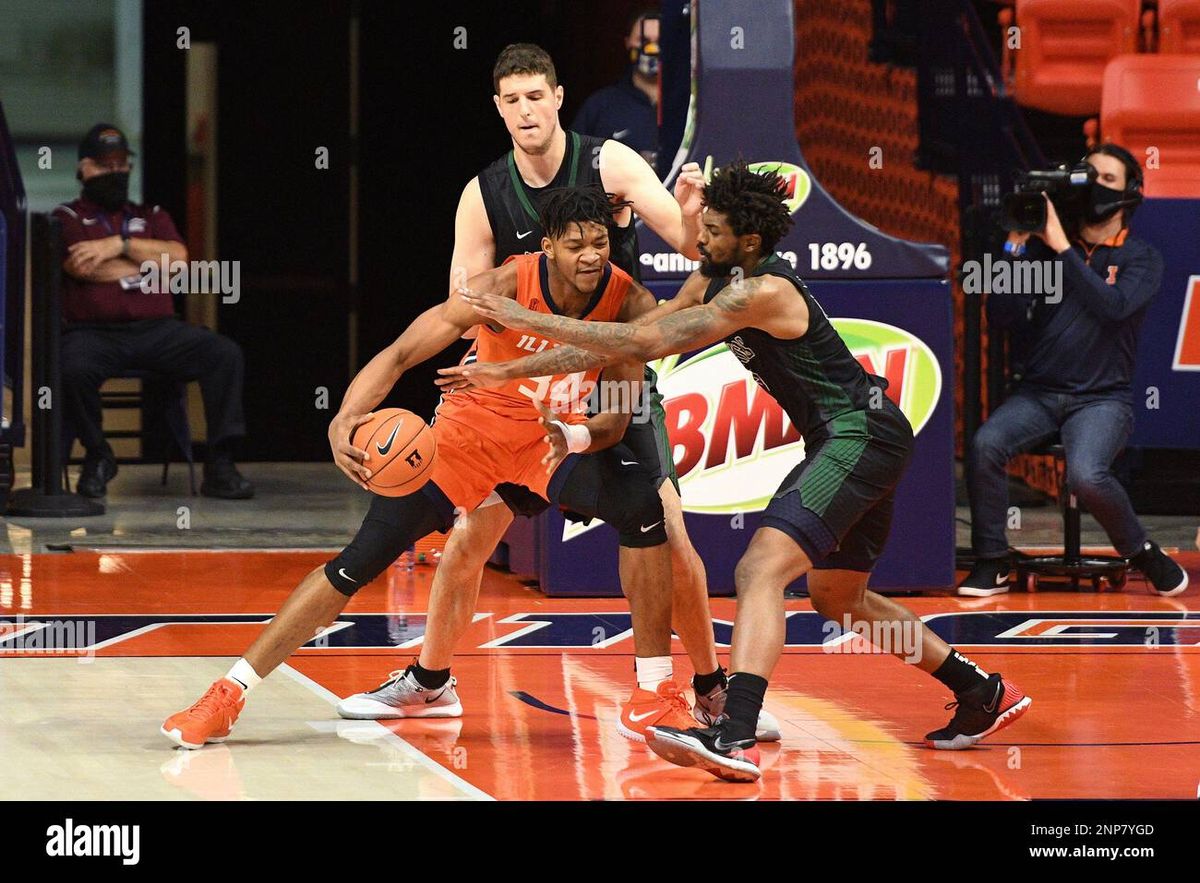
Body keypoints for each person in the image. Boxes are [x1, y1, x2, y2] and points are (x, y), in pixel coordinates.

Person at [448, 162, 1031, 781]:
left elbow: (644, 348)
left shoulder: (761, 291)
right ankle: (981, 692)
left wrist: (521, 319)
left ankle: (734, 734)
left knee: (759, 570)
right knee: (840, 599)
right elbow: (630, 335)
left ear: (748, 242)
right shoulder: (717, 275)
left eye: (714, 228)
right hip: (853, 436)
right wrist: (513, 370)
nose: (698, 237)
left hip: (860, 431)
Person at [336, 43, 779, 743]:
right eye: (511, 99)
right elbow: (465, 304)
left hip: (614, 378)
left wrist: (693, 215)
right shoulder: (483, 195)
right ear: (498, 108)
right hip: (523, 394)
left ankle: (711, 687)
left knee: (668, 532)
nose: (525, 110)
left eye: (535, 96)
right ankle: (430, 681)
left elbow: (696, 248)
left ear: (559, 97)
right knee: (469, 534)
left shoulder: (611, 164)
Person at [162, 188, 707, 749]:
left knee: (643, 508)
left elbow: (616, 420)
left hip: (546, 442)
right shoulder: (499, 288)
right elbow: (401, 353)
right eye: (576, 245)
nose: (593, 255)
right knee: (358, 562)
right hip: (468, 437)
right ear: (548, 247)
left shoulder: (629, 303)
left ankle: (654, 694)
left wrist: (569, 435)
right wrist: (344, 419)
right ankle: (228, 694)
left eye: (601, 242)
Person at [959, 144, 1187, 598]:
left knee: (1086, 475)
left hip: (1103, 398)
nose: (1096, 187)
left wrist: (1062, 246)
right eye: (1091, 177)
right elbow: (1001, 316)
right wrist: (1013, 248)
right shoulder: (1042, 254)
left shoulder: (1141, 258)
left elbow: (1113, 307)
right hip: (1040, 394)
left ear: (1130, 194)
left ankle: (1141, 551)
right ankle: (992, 560)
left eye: (1108, 180)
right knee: (985, 445)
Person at [53, 123, 253, 500]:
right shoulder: (67, 217)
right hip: (93, 333)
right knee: (71, 368)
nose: (115, 172)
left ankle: (220, 464)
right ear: (83, 169)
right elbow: (82, 268)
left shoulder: (153, 214)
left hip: (157, 330)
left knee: (223, 353)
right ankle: (98, 455)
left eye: (121, 164)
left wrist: (118, 244)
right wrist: (149, 260)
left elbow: (179, 260)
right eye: (104, 164)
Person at [571, 8, 661, 166]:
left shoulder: (692, 105)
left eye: (660, 41)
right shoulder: (600, 106)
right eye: (644, 40)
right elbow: (572, 164)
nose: (652, 49)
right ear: (627, 43)